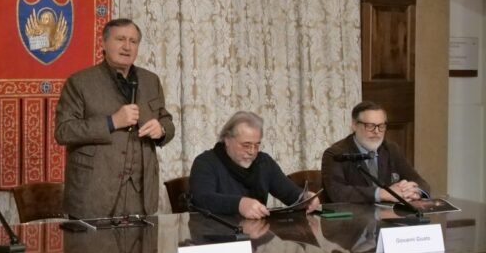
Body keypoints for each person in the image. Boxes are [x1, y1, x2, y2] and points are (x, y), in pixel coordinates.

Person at [55, 18, 175, 219]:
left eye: (133, 41)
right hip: (93, 195)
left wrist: (161, 129)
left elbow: (167, 120)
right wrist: (112, 122)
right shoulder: (80, 82)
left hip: (141, 196)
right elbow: (63, 131)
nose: (127, 47)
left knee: (143, 251)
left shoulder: (150, 80)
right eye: (120, 39)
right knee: (91, 251)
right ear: (103, 43)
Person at [189, 111, 320, 219]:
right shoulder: (205, 162)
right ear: (227, 140)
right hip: (218, 241)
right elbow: (202, 198)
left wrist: (305, 198)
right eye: (246, 145)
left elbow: (289, 193)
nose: (252, 152)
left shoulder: (264, 162)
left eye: (256, 145)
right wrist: (239, 204)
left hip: (257, 239)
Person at [321, 101, 430, 203]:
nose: (377, 131)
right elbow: (337, 193)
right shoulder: (336, 154)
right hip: (353, 220)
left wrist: (415, 191)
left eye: (381, 126)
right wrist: (381, 194)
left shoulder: (391, 149)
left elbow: (420, 181)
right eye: (370, 126)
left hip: (389, 217)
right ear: (354, 125)